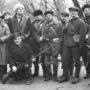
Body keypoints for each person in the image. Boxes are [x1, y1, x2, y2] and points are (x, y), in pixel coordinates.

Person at [58, 7, 87, 84]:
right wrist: (66, 24)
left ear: (77, 12)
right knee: (65, 60)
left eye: (74, 11)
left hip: (76, 45)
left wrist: (81, 45)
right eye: (71, 12)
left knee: (77, 61)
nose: (72, 13)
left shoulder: (81, 22)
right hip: (66, 44)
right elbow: (64, 32)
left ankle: (76, 76)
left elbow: (83, 35)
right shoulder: (68, 21)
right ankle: (65, 76)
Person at [40, 10, 62, 81]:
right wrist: (42, 38)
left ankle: (55, 76)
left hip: (55, 44)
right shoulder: (43, 24)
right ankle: (49, 76)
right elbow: (41, 34)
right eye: (46, 16)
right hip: (46, 44)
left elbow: (61, 35)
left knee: (55, 60)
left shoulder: (58, 24)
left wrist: (58, 39)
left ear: (52, 16)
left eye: (49, 15)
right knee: (47, 60)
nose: (48, 17)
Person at [0, 13, 11, 79]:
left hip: (2, 45)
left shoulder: (5, 26)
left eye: (0, 17)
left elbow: (8, 35)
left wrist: (1, 39)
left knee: (3, 60)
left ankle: (3, 75)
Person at [82, 4, 90, 79]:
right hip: (85, 42)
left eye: (88, 10)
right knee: (85, 58)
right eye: (85, 10)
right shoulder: (82, 20)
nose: (86, 11)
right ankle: (88, 72)